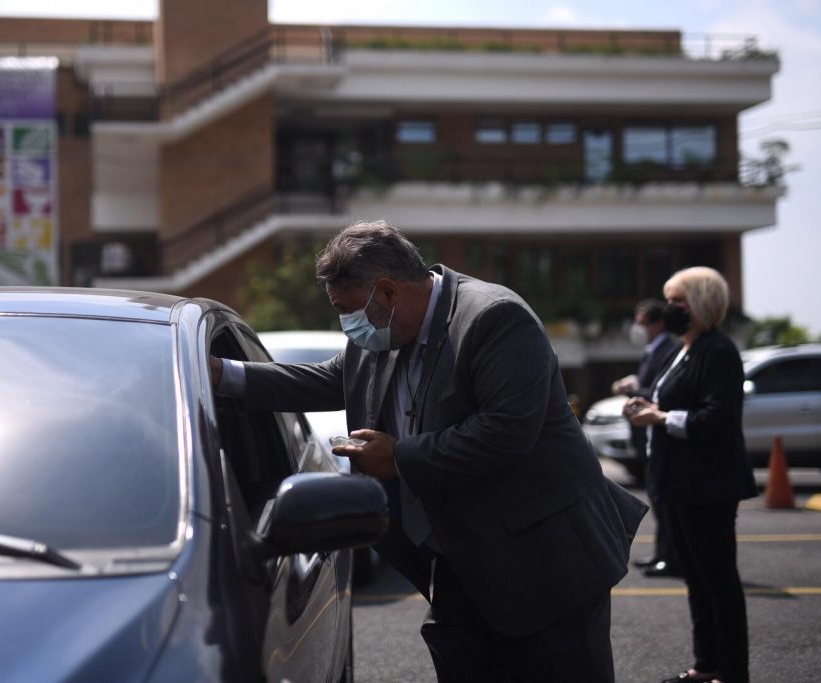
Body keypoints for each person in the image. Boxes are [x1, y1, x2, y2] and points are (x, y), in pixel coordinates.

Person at [211, 221, 647, 682]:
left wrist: (398, 458)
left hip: (545, 560)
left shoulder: (493, 317)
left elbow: (507, 430)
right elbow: (323, 379)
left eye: (346, 310)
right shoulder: (384, 330)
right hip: (462, 558)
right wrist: (224, 374)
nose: (346, 325)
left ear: (387, 292)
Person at [624, 267, 756, 683]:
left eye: (678, 301)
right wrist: (647, 405)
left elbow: (717, 418)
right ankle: (706, 665)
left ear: (702, 302)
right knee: (697, 581)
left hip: (707, 485)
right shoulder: (685, 349)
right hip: (679, 483)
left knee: (719, 584)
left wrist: (660, 417)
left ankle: (732, 672)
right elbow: (677, 404)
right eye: (669, 300)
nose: (670, 309)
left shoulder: (718, 351)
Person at [612, 298, 682, 578]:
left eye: (642, 323)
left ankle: (670, 556)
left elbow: (658, 390)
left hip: (660, 434)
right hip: (648, 437)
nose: (637, 329)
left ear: (658, 323)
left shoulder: (668, 348)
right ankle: (662, 554)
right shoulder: (654, 349)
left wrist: (633, 390)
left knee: (664, 500)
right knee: (658, 498)